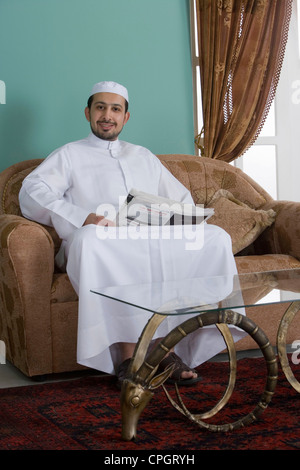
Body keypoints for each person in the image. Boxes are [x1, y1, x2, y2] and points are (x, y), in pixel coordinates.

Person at [19, 81, 245, 386]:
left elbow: (180, 199)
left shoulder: (143, 156)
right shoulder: (69, 155)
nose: (107, 115)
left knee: (215, 236)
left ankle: (167, 350)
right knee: (90, 241)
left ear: (126, 117)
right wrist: (82, 217)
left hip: (150, 237)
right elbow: (32, 193)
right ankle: (127, 358)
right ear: (88, 113)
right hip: (103, 240)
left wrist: (185, 220)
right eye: (100, 107)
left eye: (115, 109)